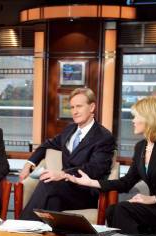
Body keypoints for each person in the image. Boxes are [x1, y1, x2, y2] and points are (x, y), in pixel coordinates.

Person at [67, 96, 156, 233]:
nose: (132, 121)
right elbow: (126, 182)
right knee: (112, 210)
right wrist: (91, 182)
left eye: (136, 116)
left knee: (122, 210)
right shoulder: (141, 147)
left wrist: (153, 198)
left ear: (149, 118)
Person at [18, 87, 116, 220]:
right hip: (62, 189)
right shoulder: (70, 129)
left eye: (79, 106)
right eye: (72, 107)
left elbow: (95, 169)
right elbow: (47, 144)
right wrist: (29, 164)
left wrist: (63, 174)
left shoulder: (104, 137)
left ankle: (21, 227)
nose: (74, 111)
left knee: (49, 183)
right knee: (52, 201)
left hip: (84, 192)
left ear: (92, 107)